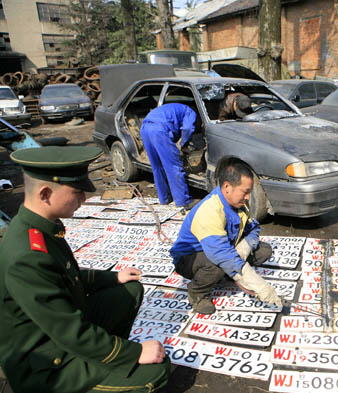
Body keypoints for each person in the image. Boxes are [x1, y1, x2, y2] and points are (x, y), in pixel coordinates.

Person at [0, 146, 169, 393]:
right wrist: (134, 353)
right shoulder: (27, 255)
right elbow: (69, 331)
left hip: (58, 329)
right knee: (157, 371)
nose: (84, 199)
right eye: (77, 192)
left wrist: (113, 276)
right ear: (46, 193)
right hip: (46, 363)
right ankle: (108, 360)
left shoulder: (39, 226)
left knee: (128, 290)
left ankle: (105, 356)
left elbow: (67, 276)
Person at [170, 159, 281, 315]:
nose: (248, 197)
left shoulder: (238, 203)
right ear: (227, 187)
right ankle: (197, 293)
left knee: (264, 250)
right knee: (217, 264)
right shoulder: (210, 211)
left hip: (223, 250)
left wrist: (244, 248)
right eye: (245, 191)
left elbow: (254, 228)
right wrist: (260, 287)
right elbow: (221, 255)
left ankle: (229, 275)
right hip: (190, 258)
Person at [140, 103, 198, 208]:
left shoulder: (175, 108)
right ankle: (183, 201)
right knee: (173, 166)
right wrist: (183, 143)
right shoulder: (191, 112)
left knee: (157, 167)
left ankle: (164, 198)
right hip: (159, 130)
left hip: (145, 128)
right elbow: (188, 128)